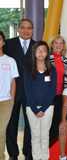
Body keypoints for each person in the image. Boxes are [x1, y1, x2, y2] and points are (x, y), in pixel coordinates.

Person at [4, 18, 36, 160]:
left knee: (30, 124)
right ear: (18, 29)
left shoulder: (38, 46)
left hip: (30, 92)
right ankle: (13, 154)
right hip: (12, 90)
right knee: (11, 124)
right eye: (23, 27)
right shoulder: (8, 44)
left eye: (29, 28)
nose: (26, 30)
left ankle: (28, 153)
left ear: (32, 30)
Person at [24, 41, 56, 160]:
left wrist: (42, 109)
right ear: (34, 52)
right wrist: (34, 109)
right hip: (31, 108)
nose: (41, 52)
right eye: (38, 50)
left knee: (45, 135)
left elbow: (52, 92)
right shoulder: (28, 70)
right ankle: (37, 158)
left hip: (48, 108)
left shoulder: (52, 70)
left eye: (44, 50)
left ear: (47, 53)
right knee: (35, 135)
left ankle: (45, 157)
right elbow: (27, 91)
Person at [0, 31, 19, 160]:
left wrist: (12, 100)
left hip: (6, 101)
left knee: (1, 131)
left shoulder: (10, 60)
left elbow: (13, 81)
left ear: (3, 42)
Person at [49, 35, 67, 146]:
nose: (58, 45)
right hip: (49, 96)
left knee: (58, 122)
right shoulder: (46, 59)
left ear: (63, 46)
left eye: (61, 43)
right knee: (48, 123)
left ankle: (55, 149)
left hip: (61, 96)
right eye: (56, 43)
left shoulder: (66, 61)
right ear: (52, 45)